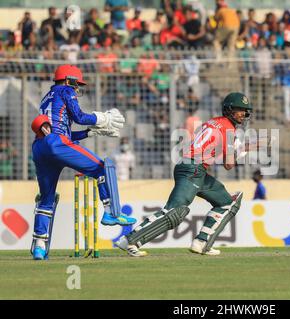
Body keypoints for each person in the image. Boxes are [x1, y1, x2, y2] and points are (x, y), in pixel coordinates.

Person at [115, 92, 254, 257]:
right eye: (239, 109)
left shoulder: (213, 122)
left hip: (194, 169)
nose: (243, 114)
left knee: (227, 202)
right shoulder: (228, 128)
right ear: (229, 109)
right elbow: (229, 165)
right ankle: (130, 240)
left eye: (245, 110)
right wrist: (244, 151)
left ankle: (202, 243)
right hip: (193, 169)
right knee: (175, 211)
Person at [30, 64, 136, 260]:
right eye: (76, 84)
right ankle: (110, 212)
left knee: (46, 199)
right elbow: (78, 117)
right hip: (57, 144)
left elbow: (64, 131)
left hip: (39, 148)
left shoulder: (47, 97)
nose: (77, 89)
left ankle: (39, 246)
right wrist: (100, 118)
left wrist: (89, 132)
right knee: (102, 167)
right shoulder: (66, 90)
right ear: (69, 80)